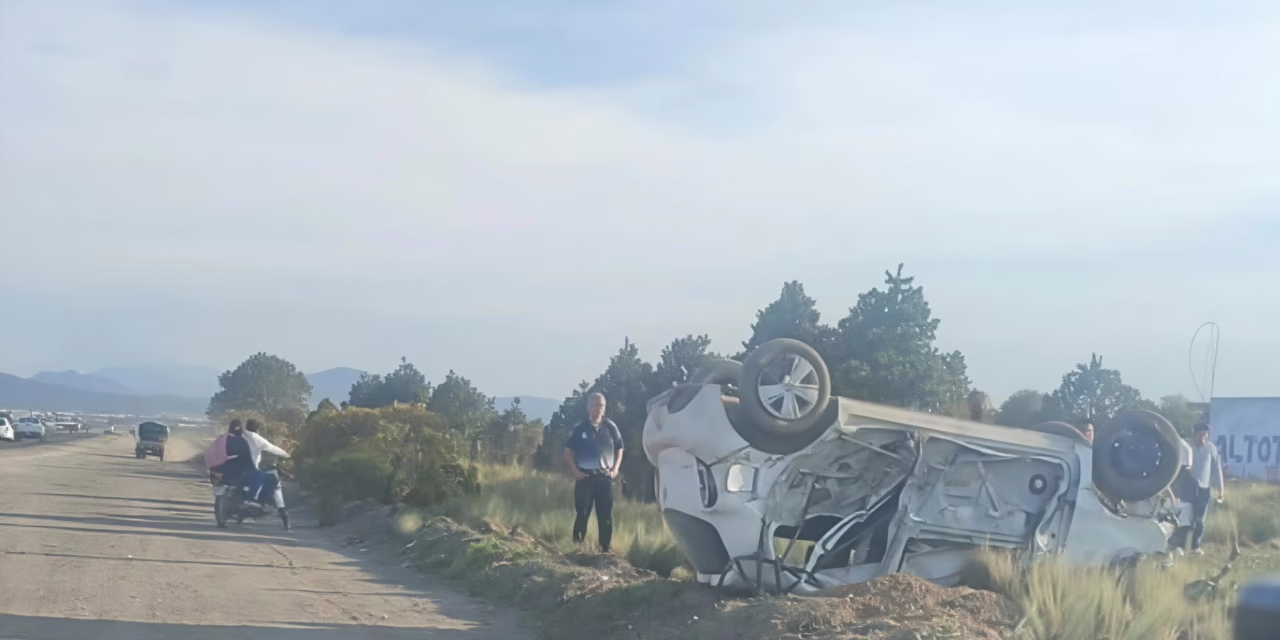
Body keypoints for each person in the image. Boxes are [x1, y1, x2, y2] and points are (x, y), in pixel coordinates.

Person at [563, 392, 624, 553]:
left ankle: (605, 549)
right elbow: (568, 452)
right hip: (585, 478)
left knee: (606, 516)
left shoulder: (611, 427)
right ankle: (577, 548)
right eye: (595, 405)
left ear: (604, 408)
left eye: (601, 405)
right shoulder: (580, 429)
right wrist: (576, 472)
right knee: (582, 514)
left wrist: (615, 470)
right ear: (588, 407)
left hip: (605, 478)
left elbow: (620, 448)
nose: (598, 409)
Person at [1187, 423, 1226, 554]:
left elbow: (1217, 469)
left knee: (1200, 519)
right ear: (1195, 435)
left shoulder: (1211, 449)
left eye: (1205, 436)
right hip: (1188, 489)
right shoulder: (1189, 448)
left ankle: (1196, 546)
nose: (1202, 439)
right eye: (1200, 436)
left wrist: (1221, 491)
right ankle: (1182, 544)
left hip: (1204, 489)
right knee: (1186, 518)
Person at [242, 419, 290, 505]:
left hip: (238, 470)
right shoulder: (256, 438)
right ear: (257, 428)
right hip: (252, 470)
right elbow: (272, 448)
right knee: (272, 480)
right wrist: (286, 454)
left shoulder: (241, 436)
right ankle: (259, 501)